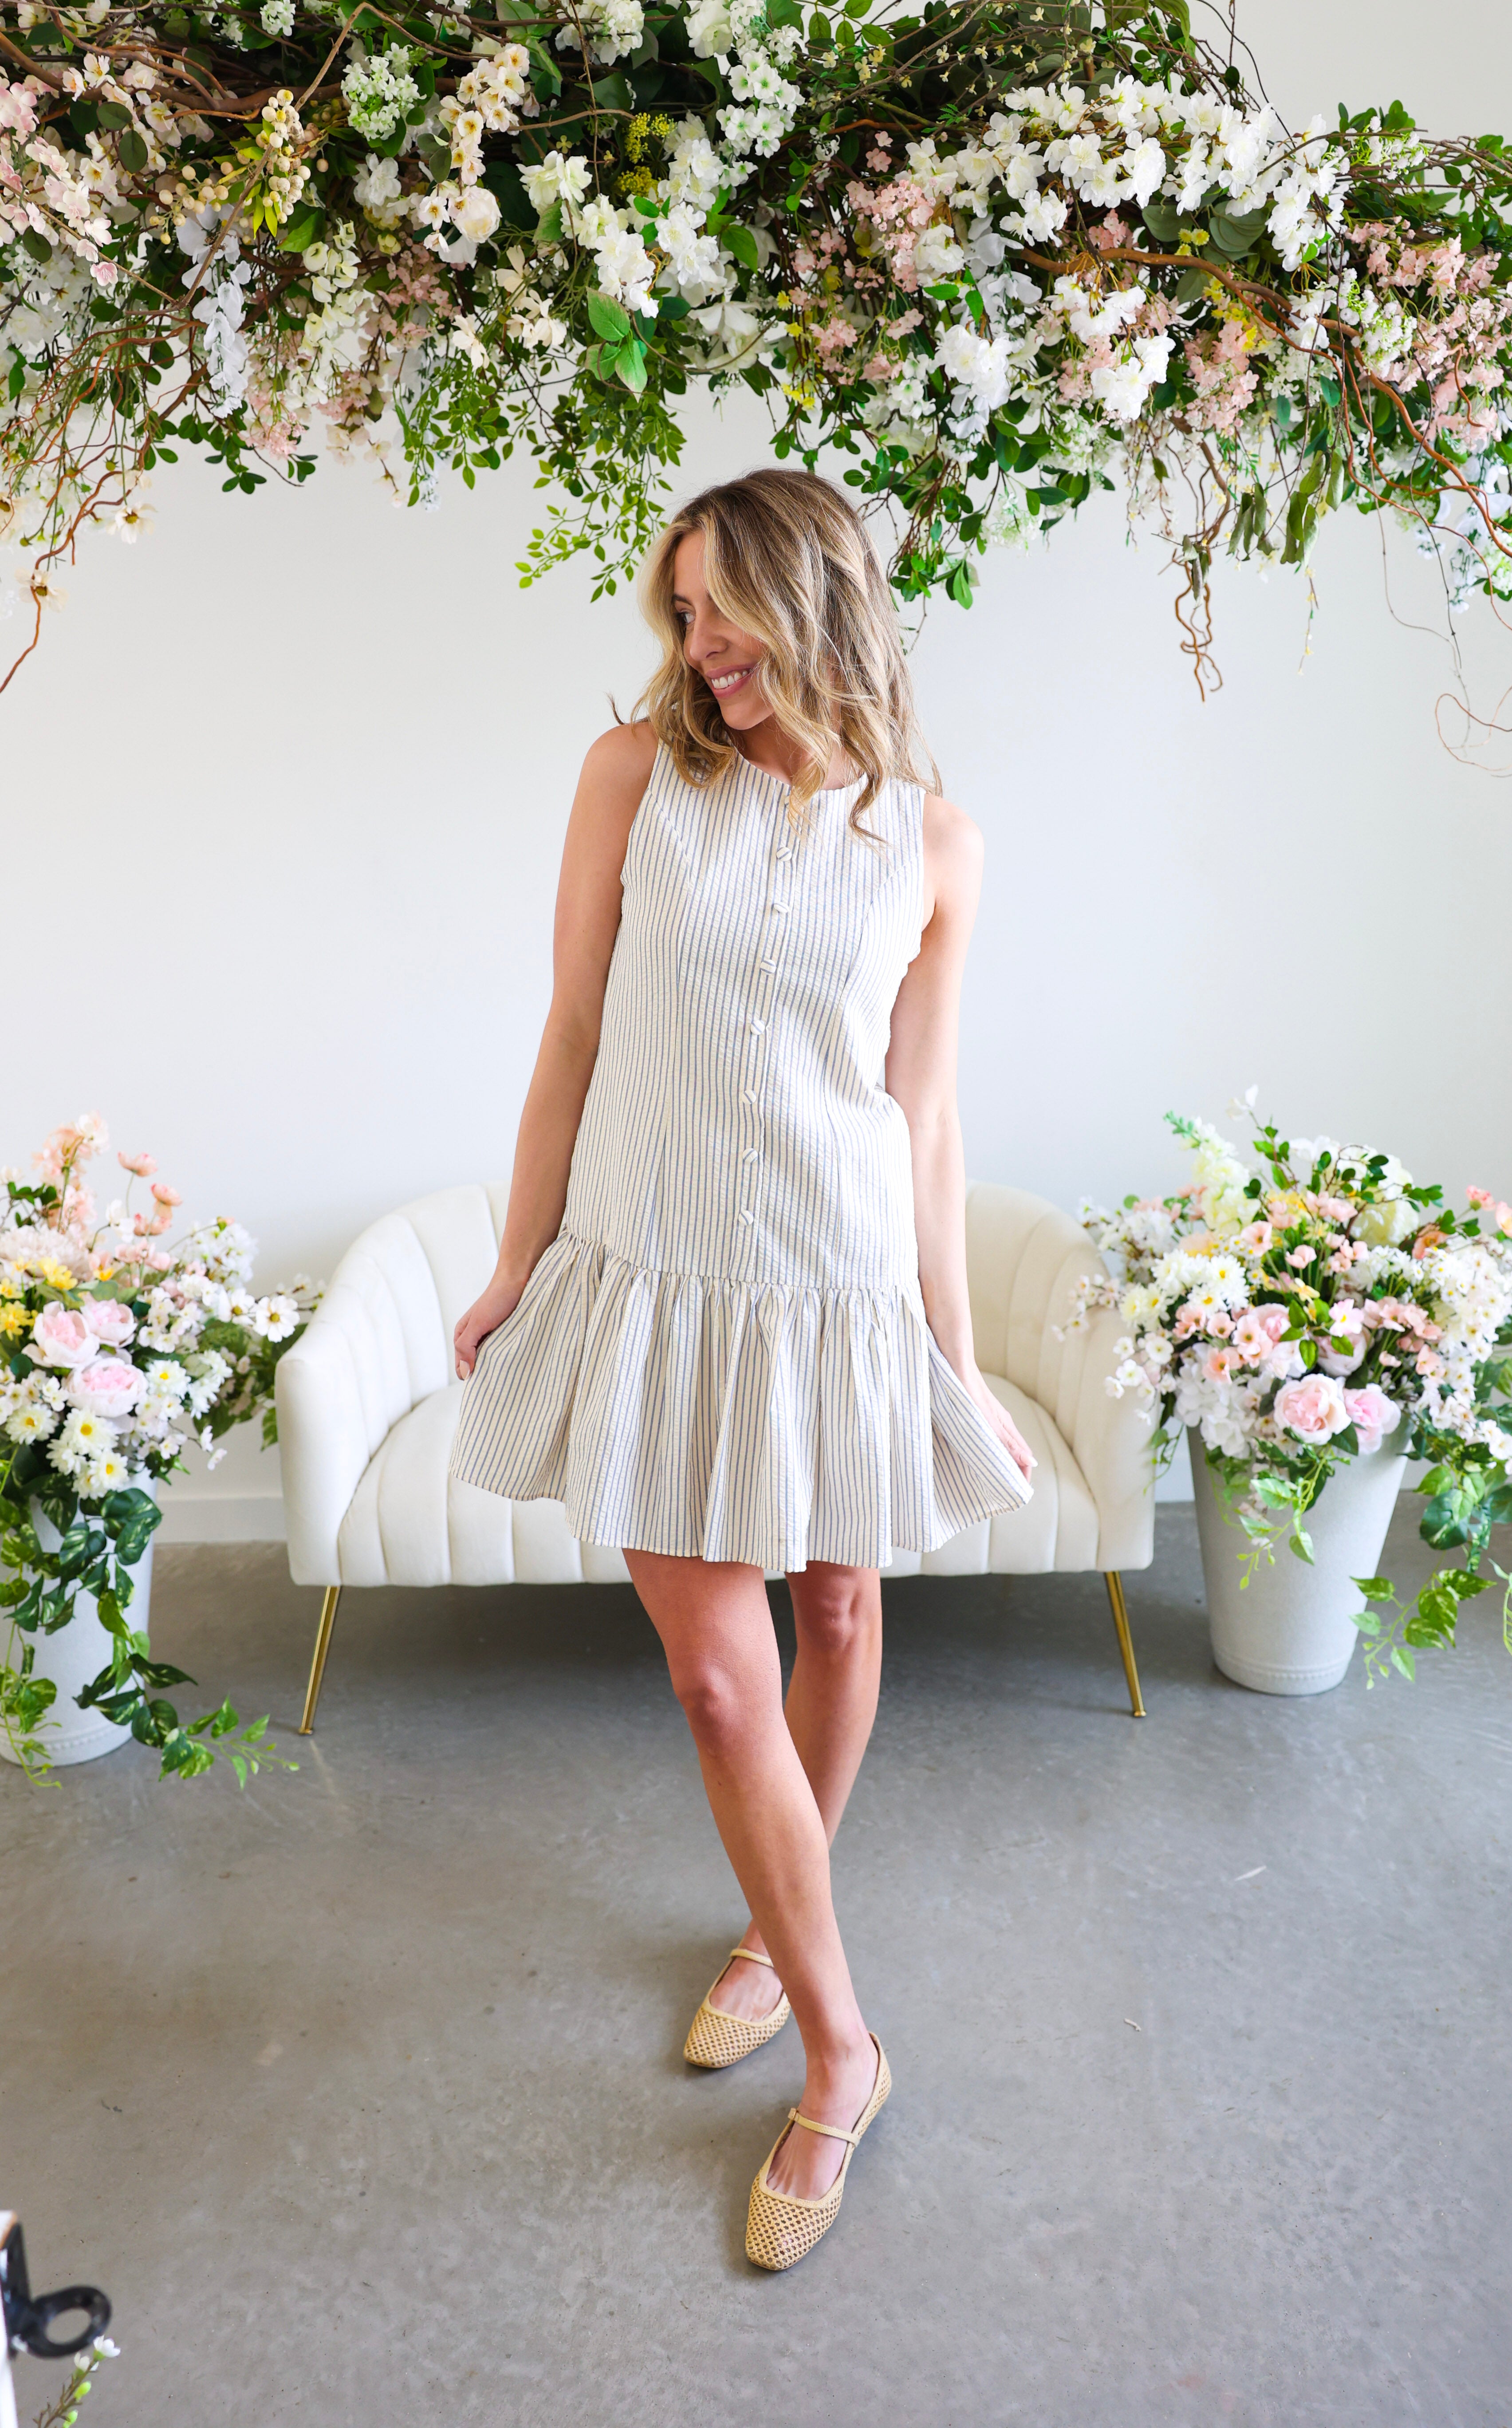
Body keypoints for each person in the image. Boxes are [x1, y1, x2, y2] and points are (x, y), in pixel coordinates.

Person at [449, 466, 1034, 2270]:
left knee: (840, 1609)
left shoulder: (934, 840)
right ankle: (847, 2054)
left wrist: (955, 1353)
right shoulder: (632, 778)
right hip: (653, 1269)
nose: (701, 646)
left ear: (818, 600)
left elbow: (922, 1121)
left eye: (727, 611)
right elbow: (568, 1031)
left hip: (838, 1284)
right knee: (720, 1685)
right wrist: (519, 1258)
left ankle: (782, 1941)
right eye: (684, 613)